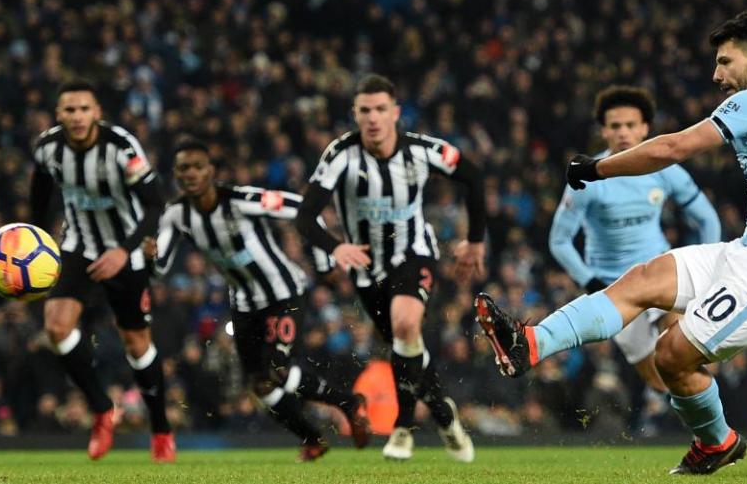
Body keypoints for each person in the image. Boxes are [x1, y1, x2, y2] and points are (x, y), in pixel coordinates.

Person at [475, 11, 747, 474]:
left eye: (725, 62)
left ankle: (716, 441)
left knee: (670, 355)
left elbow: (672, 148)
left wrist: (597, 168)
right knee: (641, 280)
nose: (716, 75)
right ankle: (531, 343)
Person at [143, 138, 370, 462]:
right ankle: (313, 437)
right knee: (260, 385)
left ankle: (348, 403)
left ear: (211, 171)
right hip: (245, 304)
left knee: (276, 370)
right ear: (176, 175)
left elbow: (305, 210)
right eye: (183, 168)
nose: (190, 173)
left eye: (197, 166)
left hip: (282, 293)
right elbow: (159, 269)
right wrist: (150, 257)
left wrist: (323, 262)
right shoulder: (176, 214)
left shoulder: (241, 200)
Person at [295, 74, 484, 462]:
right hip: (366, 268)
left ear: (396, 113)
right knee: (407, 346)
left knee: (405, 326)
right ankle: (446, 417)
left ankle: (403, 428)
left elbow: (473, 175)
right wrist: (336, 246)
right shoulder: (340, 154)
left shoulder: (420, 150)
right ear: (355, 114)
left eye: (381, 109)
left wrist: (476, 239)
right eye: (365, 110)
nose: (373, 118)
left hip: (412, 253)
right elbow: (305, 215)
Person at [30, 80, 175, 462]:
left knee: (136, 343)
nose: (76, 117)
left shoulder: (121, 147)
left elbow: (156, 204)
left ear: (97, 113)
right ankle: (101, 408)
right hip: (78, 245)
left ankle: (160, 429)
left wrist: (124, 251)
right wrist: (33, 237)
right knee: (56, 327)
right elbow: (40, 195)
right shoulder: (48, 148)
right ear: (59, 115)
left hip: (127, 250)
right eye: (69, 110)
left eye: (83, 109)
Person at [549, 85, 721, 396]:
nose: (623, 133)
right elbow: (559, 241)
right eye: (615, 126)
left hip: (658, 272)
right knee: (658, 380)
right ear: (604, 130)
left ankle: (716, 434)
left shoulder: (664, 171)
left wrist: (710, 270)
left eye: (630, 125)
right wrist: (590, 282)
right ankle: (697, 425)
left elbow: (707, 219)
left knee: (683, 347)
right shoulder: (588, 179)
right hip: (614, 286)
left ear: (645, 128)